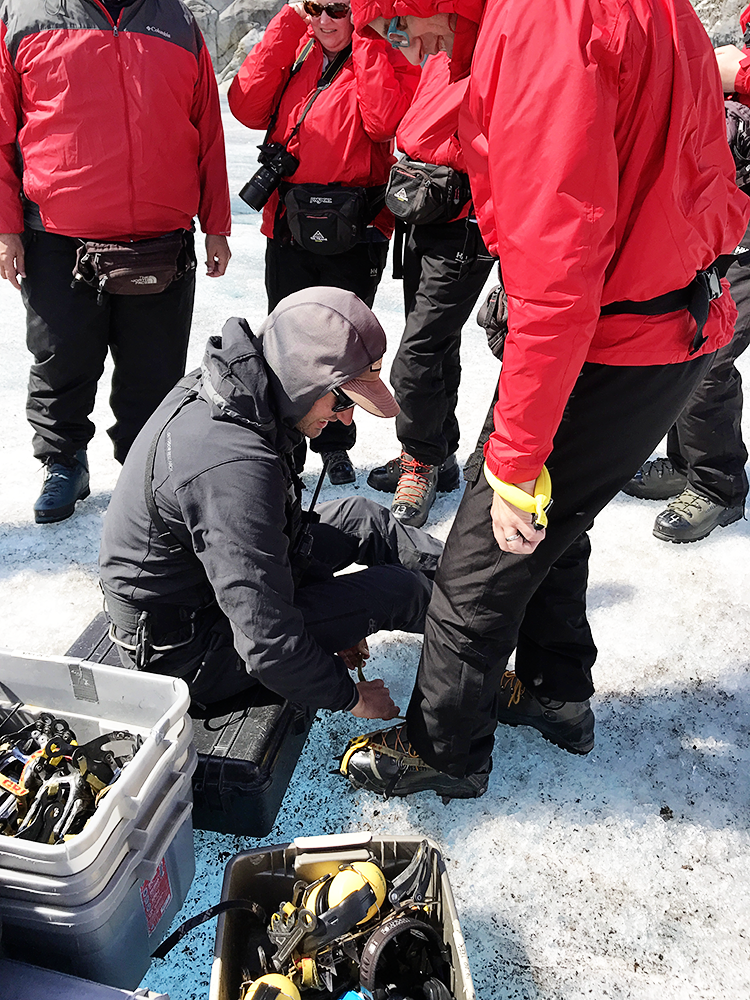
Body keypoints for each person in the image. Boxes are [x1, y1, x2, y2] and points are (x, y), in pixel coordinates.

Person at [335, 0, 750, 800]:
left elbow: (559, 273)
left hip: (610, 336)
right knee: (552, 523)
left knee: (479, 562)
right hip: (661, 321)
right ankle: (559, 694)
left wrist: (517, 459)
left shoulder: (540, 24)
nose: (407, 45)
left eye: (398, 22)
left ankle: (444, 751)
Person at [99, 288, 443, 719]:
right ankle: (476, 648)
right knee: (399, 591)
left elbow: (271, 534)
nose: (347, 418)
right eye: (341, 400)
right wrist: (351, 698)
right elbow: (268, 643)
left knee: (363, 518)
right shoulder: (233, 467)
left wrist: (337, 618)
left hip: (208, 585)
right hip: (187, 654)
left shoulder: (239, 391)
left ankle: (480, 588)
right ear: (303, 378)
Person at [0, 0, 231, 524]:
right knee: (62, 359)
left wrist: (216, 222)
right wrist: (6, 227)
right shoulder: (23, 15)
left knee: (154, 368)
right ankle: (64, 462)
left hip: (160, 237)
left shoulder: (178, 20)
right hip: (58, 236)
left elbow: (208, 128)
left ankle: (145, 466)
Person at [228, 0, 419, 487]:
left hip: (355, 230)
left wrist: (370, 42)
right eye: (314, 7)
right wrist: (289, 22)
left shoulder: (382, 49)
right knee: (284, 340)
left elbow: (383, 122)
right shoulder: (297, 48)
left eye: (336, 9)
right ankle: (283, 443)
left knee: (344, 347)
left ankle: (334, 444)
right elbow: (246, 106)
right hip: (291, 226)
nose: (324, 20)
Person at [622, 38, 750, 542]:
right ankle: (684, 463)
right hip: (714, 233)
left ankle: (719, 488)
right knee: (684, 342)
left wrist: (735, 72)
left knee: (711, 359)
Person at [365, 52, 496, 527]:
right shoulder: (444, 50)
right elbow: (391, 121)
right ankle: (437, 455)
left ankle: (419, 458)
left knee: (416, 356)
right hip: (425, 208)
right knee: (438, 346)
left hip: (464, 220)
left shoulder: (501, 44)